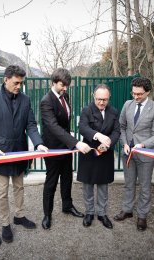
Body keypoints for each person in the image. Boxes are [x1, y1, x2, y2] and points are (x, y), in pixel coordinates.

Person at [0, 65, 48, 243]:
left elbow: (31, 125)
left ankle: (19, 216)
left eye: (21, 83)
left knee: (19, 187)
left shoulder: (25, 99)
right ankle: (5, 224)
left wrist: (38, 143)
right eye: (16, 83)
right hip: (0, 155)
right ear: (6, 79)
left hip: (19, 153)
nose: (19, 86)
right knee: (2, 192)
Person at [40, 68, 92, 230]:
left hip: (66, 147)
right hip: (53, 149)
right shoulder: (46, 101)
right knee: (51, 182)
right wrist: (76, 142)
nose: (65, 88)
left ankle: (67, 206)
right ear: (53, 82)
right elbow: (54, 127)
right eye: (62, 85)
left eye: (67, 86)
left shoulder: (65, 96)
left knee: (67, 178)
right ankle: (47, 214)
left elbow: (65, 123)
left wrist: (70, 143)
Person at [114, 77, 154, 231]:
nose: (136, 97)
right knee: (129, 183)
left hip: (146, 154)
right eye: (134, 93)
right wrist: (124, 143)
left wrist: (142, 145)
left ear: (148, 92)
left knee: (144, 186)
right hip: (128, 153)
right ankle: (127, 210)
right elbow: (121, 126)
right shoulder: (127, 104)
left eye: (140, 94)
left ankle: (142, 215)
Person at [77, 84, 120, 229]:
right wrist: (98, 135)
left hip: (105, 153)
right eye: (99, 99)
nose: (102, 103)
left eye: (105, 100)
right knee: (88, 185)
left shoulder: (113, 111)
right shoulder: (86, 110)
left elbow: (116, 131)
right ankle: (89, 212)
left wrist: (108, 143)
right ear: (93, 96)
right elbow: (83, 128)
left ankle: (102, 213)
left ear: (109, 98)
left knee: (103, 185)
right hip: (89, 152)